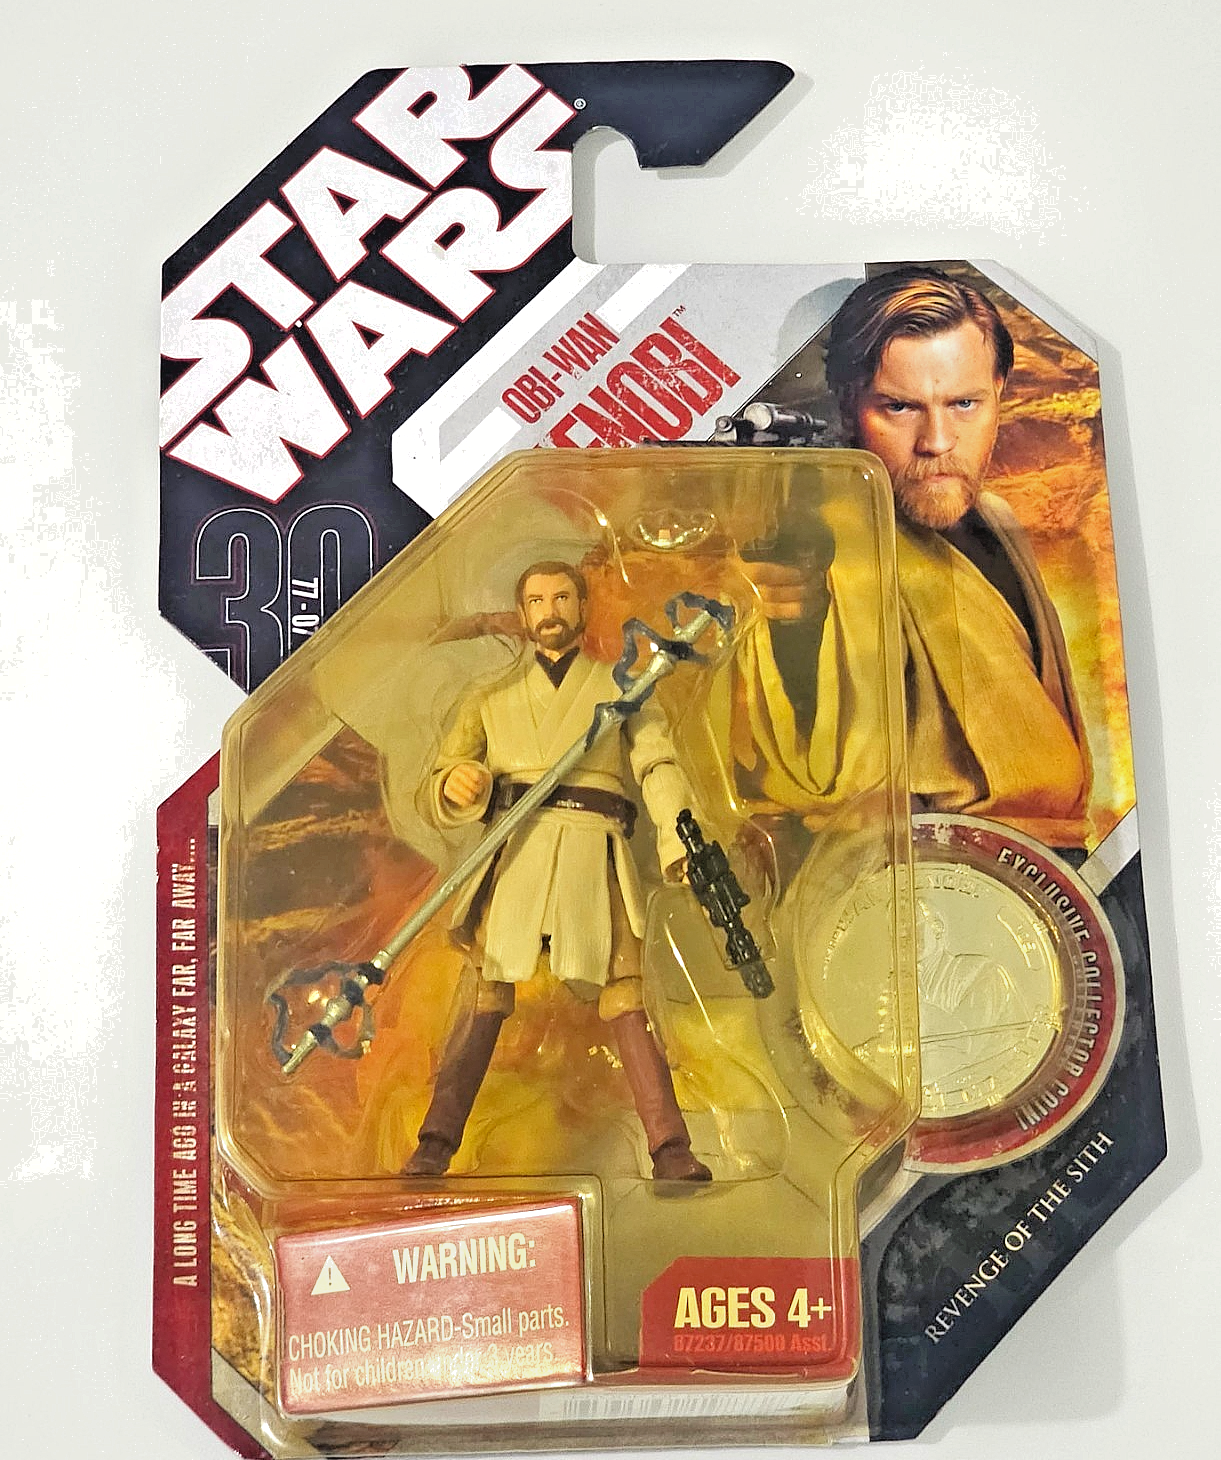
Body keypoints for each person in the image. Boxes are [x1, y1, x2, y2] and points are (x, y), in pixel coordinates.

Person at [742, 267, 1089, 851]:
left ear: (1000, 390)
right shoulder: (834, 531)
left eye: (964, 404)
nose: (937, 441)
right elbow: (814, 755)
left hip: (1049, 859)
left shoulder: (998, 520)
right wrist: (796, 624)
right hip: (919, 861)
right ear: (851, 407)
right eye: (901, 408)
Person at [404, 559, 712, 1183]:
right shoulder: (489, 697)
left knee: (626, 992)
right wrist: (459, 784)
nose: (550, 611)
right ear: (522, 613)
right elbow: (439, 780)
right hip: (514, 848)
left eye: (563, 597)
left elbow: (657, 763)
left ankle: (670, 1148)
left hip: (595, 849)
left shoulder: (624, 687)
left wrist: (680, 837)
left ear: (582, 606)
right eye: (538, 600)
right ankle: (434, 1144)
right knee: (485, 989)